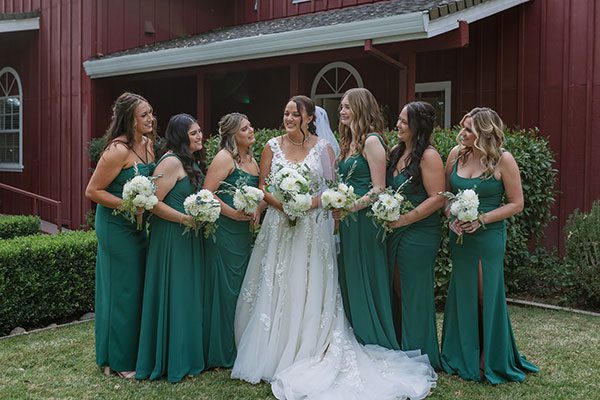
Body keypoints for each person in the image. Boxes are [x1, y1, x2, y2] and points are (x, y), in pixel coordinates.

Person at [232, 95, 436, 400]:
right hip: (279, 227)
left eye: (294, 114)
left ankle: (313, 342)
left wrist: (308, 204)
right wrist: (284, 205)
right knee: (278, 282)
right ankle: (273, 348)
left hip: (313, 228)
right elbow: (263, 186)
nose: (288, 118)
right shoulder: (272, 146)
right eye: (285, 113)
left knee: (310, 283)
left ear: (309, 118)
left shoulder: (327, 148)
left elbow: (329, 190)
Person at [440, 107, 539, 383]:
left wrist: (482, 218)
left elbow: (517, 204)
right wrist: (452, 217)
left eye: (469, 129)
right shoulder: (455, 155)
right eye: (463, 126)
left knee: (484, 295)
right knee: (463, 292)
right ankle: (462, 353)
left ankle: (488, 356)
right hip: (460, 235)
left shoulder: (503, 160)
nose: (462, 132)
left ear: (484, 132)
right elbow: (446, 197)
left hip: (489, 236)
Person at [85, 92, 156, 378]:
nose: (150, 118)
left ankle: (134, 352)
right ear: (130, 119)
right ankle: (115, 360)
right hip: (115, 227)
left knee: (136, 288)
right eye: (144, 115)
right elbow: (93, 191)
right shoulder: (118, 150)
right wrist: (130, 204)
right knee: (121, 290)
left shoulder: (149, 146)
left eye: (151, 112)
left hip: (138, 226)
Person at [135, 114, 205, 382]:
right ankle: (171, 359)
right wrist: (185, 218)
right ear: (180, 136)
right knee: (174, 293)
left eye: (200, 131)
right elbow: (152, 203)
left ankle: (186, 356)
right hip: (171, 237)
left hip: (188, 236)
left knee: (186, 295)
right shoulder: (171, 161)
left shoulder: (189, 160)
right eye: (194, 132)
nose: (200, 136)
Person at [334, 88, 399, 349]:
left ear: (361, 108)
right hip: (349, 221)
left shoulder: (372, 141)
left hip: (365, 220)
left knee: (365, 275)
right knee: (349, 274)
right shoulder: (347, 142)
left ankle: (371, 335)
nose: (342, 111)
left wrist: (350, 207)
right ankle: (354, 331)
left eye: (348, 106)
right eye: (341, 107)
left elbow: (379, 188)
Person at [386, 101, 445, 370]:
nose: (398, 125)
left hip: (420, 232)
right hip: (395, 230)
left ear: (417, 126)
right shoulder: (396, 152)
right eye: (398, 120)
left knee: (414, 291)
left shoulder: (429, 156)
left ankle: (419, 353)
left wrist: (405, 219)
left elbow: (437, 199)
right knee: (397, 287)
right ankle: (400, 344)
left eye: (403, 122)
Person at [202, 113, 263, 368]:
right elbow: (206, 194)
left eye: (250, 126)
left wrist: (257, 210)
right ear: (232, 135)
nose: (251, 131)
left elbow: (259, 192)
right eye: (245, 128)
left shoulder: (252, 160)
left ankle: (239, 343)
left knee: (241, 288)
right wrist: (234, 214)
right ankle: (220, 350)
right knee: (226, 289)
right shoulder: (224, 158)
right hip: (224, 230)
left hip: (242, 234)